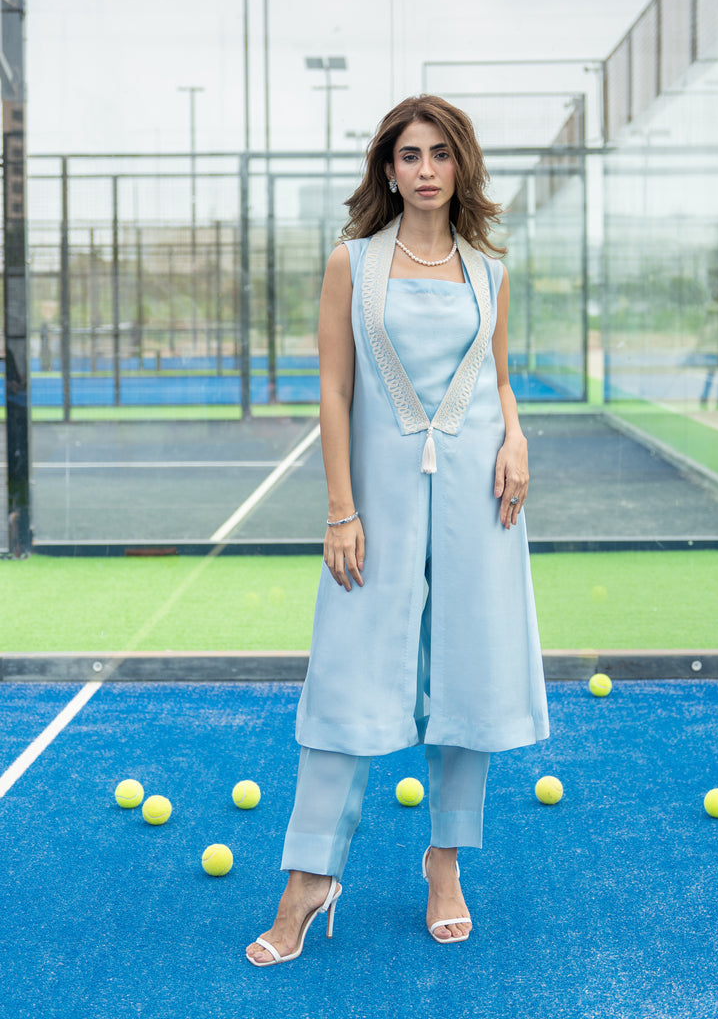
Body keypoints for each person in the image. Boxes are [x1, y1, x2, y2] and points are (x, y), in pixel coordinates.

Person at [246, 95, 549, 966]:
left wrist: (517, 435)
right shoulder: (352, 264)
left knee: (468, 681)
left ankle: (445, 863)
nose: (425, 169)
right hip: (374, 506)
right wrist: (341, 510)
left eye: (440, 154)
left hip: (481, 503)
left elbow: (497, 381)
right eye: (409, 155)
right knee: (345, 679)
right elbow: (333, 393)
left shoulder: (490, 271)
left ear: (461, 168)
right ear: (389, 169)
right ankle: (308, 880)